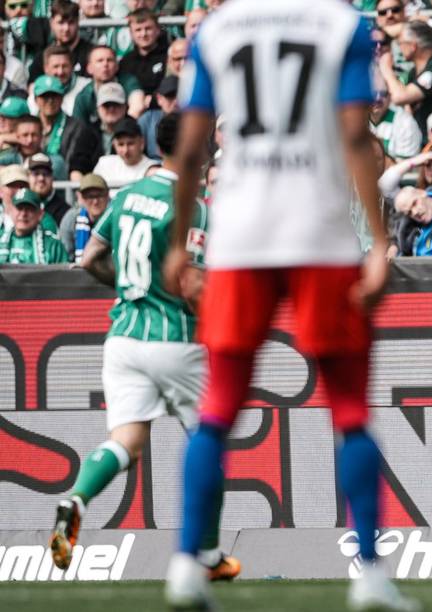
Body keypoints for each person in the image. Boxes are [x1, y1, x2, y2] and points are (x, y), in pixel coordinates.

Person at [161, 1, 414, 609]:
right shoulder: (343, 24)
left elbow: (191, 146)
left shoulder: (218, 27)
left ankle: (186, 566)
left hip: (240, 232)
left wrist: (177, 245)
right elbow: (355, 133)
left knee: (218, 405)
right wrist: (379, 242)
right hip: (319, 231)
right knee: (350, 410)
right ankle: (372, 576)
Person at [48, 113, 240, 584]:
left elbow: (91, 257)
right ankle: (210, 555)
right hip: (174, 339)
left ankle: (75, 498)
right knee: (208, 444)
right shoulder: (191, 206)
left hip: (123, 337)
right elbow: (193, 283)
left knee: (127, 442)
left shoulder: (129, 195)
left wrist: (135, 286)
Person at [378, 20, 432, 136]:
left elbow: (400, 97)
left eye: (401, 43)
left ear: (413, 46)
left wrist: (386, 69)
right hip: (418, 137)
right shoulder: (413, 72)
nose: (399, 48)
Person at [33, 74, 101, 180]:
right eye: (45, 96)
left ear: (62, 98)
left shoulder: (77, 127)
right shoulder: (29, 126)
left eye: (54, 96)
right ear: (35, 99)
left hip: (63, 182)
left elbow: (75, 162)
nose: (50, 101)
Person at [71, 45, 145, 129]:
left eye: (109, 60)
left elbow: (138, 105)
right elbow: (77, 128)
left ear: (117, 66)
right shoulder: (83, 96)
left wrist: (123, 130)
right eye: (100, 61)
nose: (105, 64)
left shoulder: (128, 81)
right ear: (89, 68)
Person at [29, 0, 93, 81]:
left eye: (71, 22)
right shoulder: (42, 56)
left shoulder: (91, 54)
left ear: (78, 22)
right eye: (61, 23)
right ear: (52, 23)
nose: (66, 28)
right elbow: (32, 87)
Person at [0, 187, 68, 263]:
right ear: (10, 212)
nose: (23, 214)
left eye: (29, 209)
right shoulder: (1, 238)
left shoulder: (53, 245)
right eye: (19, 208)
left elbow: (64, 274)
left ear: (40, 214)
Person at [117, 8, 169, 98]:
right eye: (138, 30)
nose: (143, 34)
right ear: (131, 34)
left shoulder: (169, 56)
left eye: (148, 28)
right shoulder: (126, 61)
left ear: (158, 30)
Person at [59, 172, 108, 260]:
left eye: (99, 195)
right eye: (90, 196)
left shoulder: (115, 217)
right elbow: (66, 257)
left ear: (107, 195)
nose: (95, 201)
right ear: (80, 198)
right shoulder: (71, 219)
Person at [93, 116, 156, 185]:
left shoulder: (153, 169)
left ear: (142, 143)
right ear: (114, 145)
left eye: (130, 144)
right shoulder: (104, 163)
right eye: (121, 144)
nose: (125, 150)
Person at [30, 44, 90, 116]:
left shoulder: (86, 87)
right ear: (46, 68)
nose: (60, 72)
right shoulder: (38, 90)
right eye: (56, 66)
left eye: (65, 66)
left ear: (72, 67)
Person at [370, 85, 423, 161]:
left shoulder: (406, 124)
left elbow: (407, 169)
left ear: (390, 95)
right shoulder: (353, 119)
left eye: (383, 93)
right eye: (373, 93)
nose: (377, 98)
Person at [138, 74, 178, 161]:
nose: (176, 101)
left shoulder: (194, 122)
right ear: (159, 98)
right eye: (170, 96)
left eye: (180, 96)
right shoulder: (147, 120)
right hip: (152, 167)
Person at [28, 152, 69, 225]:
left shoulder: (65, 211)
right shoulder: (20, 208)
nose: (41, 178)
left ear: (52, 177)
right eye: (36, 174)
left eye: (45, 174)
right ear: (28, 177)